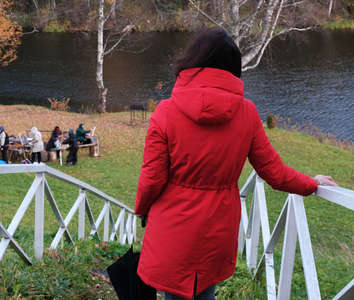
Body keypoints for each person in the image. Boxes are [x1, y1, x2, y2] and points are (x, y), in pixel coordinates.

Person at [134, 27, 337, 300]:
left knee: (176, 294)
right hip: (217, 228)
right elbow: (274, 173)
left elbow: (152, 178)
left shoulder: (165, 113)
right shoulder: (247, 113)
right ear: (232, 68)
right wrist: (311, 184)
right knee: (206, 291)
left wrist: (142, 208)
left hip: (173, 224)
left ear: (192, 62)